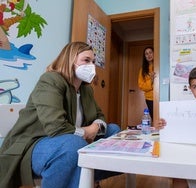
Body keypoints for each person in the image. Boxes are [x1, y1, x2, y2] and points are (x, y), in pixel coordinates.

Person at [0, 41, 121, 188]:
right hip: (34, 145)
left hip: (70, 140)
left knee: (114, 131)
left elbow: (100, 116)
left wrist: (96, 127)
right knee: (73, 145)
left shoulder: (86, 90)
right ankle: (81, 178)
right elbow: (56, 127)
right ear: (70, 60)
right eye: (86, 60)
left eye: (93, 62)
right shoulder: (50, 80)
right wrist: (86, 132)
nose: (92, 66)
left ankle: (83, 178)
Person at [138, 46, 155, 120]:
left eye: (150, 52)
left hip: (161, 96)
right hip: (150, 98)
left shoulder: (159, 65)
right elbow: (141, 86)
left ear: (154, 53)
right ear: (144, 57)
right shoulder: (142, 69)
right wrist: (151, 81)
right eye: (146, 54)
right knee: (154, 118)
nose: (149, 55)